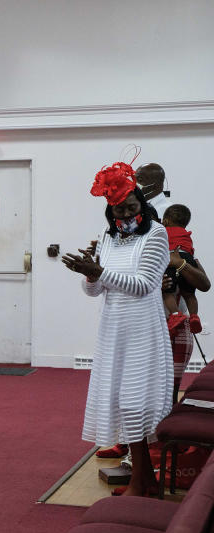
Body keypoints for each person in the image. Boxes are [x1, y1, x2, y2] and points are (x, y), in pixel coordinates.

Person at [62, 161, 172, 496]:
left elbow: (143, 285)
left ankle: (143, 482)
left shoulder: (156, 234)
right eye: (119, 209)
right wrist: (89, 274)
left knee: (135, 404)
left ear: (143, 204)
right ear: (110, 211)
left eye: (132, 207)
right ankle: (144, 481)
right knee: (120, 402)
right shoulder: (109, 239)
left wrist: (100, 272)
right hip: (113, 330)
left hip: (143, 331)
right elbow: (95, 291)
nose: (126, 213)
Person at [161, 204, 201, 333]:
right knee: (189, 294)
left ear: (166, 220)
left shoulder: (163, 232)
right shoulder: (187, 234)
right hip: (187, 260)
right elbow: (191, 251)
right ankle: (194, 316)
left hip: (172, 258)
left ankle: (175, 314)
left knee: (168, 292)